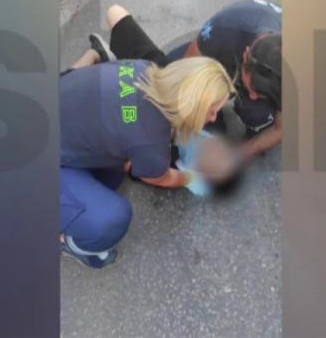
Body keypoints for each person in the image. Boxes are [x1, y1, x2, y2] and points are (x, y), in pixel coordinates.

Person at [60, 38, 235, 268]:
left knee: (114, 169)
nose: (213, 119)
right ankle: (68, 241)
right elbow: (160, 177)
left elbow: (128, 118)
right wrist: (193, 178)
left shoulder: (144, 68)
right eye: (211, 111)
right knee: (111, 218)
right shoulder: (150, 142)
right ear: (192, 105)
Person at [99, 0, 283, 163]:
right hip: (220, 49)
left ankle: (97, 55)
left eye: (260, 94)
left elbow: (280, 129)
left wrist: (240, 153)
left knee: (252, 114)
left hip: (104, 93)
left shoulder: (146, 72)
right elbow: (154, 174)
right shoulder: (227, 27)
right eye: (251, 89)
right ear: (246, 54)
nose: (252, 96)